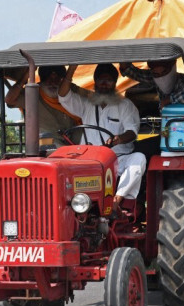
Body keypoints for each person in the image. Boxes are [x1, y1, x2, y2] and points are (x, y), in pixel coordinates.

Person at [58, 64, 146, 213]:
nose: (104, 84)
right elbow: (63, 96)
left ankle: (116, 201)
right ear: (95, 81)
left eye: (109, 80)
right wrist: (71, 69)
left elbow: (132, 131)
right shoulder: (86, 104)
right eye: (101, 80)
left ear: (115, 82)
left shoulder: (125, 105)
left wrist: (118, 139)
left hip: (117, 159)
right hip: (88, 161)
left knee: (139, 158)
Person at [6, 65, 81, 145]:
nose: (53, 83)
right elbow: (9, 100)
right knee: (60, 153)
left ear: (62, 80)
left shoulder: (71, 90)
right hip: (47, 140)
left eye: (57, 79)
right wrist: (26, 77)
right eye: (49, 79)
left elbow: (91, 99)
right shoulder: (33, 92)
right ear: (42, 80)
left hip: (73, 137)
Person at [119, 60, 184, 108]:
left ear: (173, 69)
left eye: (164, 72)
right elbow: (135, 73)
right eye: (156, 74)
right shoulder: (154, 78)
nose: (161, 77)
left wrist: (168, 100)